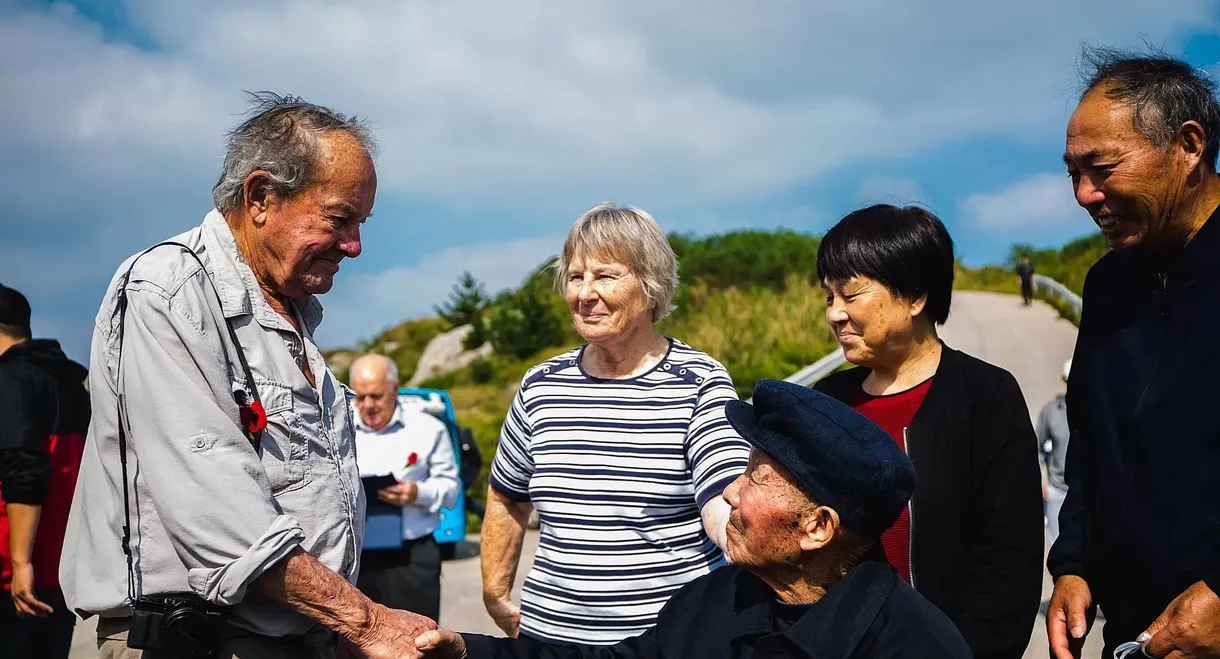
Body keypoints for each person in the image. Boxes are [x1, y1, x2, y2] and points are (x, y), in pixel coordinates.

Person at [60, 93, 435, 659]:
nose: (355, 246)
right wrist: (366, 623)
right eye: (340, 219)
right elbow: (221, 515)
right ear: (260, 197)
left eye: (361, 223)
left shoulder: (287, 314)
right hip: (181, 644)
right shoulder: (169, 290)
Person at [414, 380, 973, 659]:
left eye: (755, 478)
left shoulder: (915, 644)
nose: (730, 492)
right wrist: (465, 650)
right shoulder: (715, 599)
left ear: (817, 528)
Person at [480, 202, 750, 644]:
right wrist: (495, 594)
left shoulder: (698, 381)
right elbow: (506, 496)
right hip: (549, 640)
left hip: (668, 643)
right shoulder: (541, 385)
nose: (584, 294)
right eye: (574, 276)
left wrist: (747, 542)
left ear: (650, 284)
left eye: (604, 275)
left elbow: (723, 496)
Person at [812, 204, 1044, 659]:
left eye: (851, 294)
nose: (835, 315)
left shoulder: (985, 396)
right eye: (828, 297)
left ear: (915, 296)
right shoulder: (828, 400)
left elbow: (1009, 563)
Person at [1049, 47, 1220, 659]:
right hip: (1133, 635)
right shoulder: (1108, 286)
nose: (1085, 195)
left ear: (1190, 146)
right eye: (1073, 173)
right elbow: (1092, 449)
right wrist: (1073, 561)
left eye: (1102, 167)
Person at [0, 284, 90, 659]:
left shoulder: (10, 380)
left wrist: (21, 564)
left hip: (14, 577)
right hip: (62, 571)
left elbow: (24, 471)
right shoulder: (70, 382)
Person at [350, 353, 459, 621]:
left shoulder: (427, 429)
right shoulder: (339, 429)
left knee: (416, 644)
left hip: (411, 558)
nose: (368, 406)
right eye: (359, 397)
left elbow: (450, 489)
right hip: (355, 558)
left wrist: (417, 493)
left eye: (376, 396)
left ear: (395, 389)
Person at [1036, 359, 1071, 546]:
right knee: (1060, 547)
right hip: (1057, 490)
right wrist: (1038, 481)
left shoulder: (1096, 411)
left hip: (1087, 493)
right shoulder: (1051, 412)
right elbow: (1036, 447)